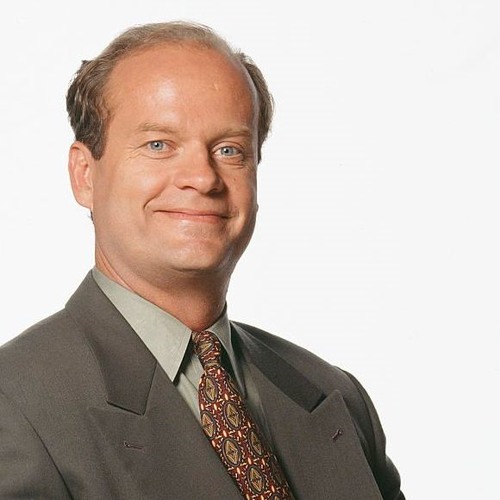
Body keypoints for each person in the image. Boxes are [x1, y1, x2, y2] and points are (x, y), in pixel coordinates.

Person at [0, 21, 404, 499]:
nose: (203, 177)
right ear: (84, 174)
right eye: (159, 145)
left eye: (229, 150)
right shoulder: (15, 405)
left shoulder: (336, 395)